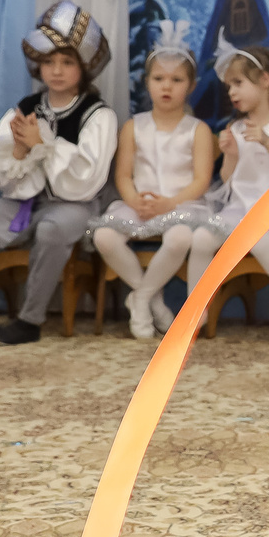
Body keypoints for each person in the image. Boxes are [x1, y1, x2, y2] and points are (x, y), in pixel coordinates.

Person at [0, 1, 117, 347]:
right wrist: (21, 153)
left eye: (67, 62)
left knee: (52, 228)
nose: (56, 70)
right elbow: (5, 175)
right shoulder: (24, 109)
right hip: (23, 203)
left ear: (84, 68)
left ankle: (30, 320)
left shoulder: (98, 115)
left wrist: (46, 145)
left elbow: (86, 180)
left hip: (74, 206)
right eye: (49, 61)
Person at [88, 35, 217, 341]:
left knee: (181, 237)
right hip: (138, 203)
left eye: (176, 79)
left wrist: (169, 203)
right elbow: (123, 175)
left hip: (182, 204)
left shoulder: (198, 130)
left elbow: (201, 180)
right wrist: (134, 200)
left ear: (191, 85)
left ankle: (141, 298)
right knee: (104, 236)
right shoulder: (134, 126)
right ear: (147, 83)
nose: (167, 86)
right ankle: (154, 300)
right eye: (159, 78)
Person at [189, 43, 269, 347]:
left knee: (258, 237)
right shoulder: (235, 126)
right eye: (229, 86)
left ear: (264, 80)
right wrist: (231, 156)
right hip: (242, 206)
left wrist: (268, 143)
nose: (232, 92)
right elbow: (228, 179)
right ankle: (196, 311)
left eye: (238, 83)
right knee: (201, 238)